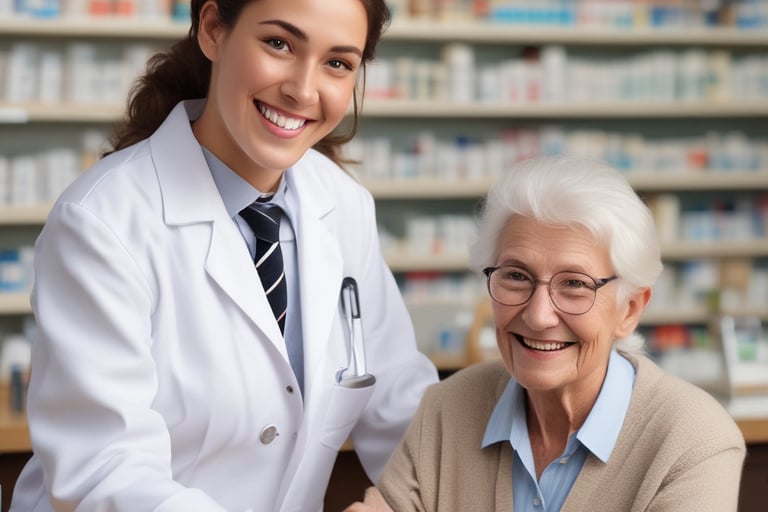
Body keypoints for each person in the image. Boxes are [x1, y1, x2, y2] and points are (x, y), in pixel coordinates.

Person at [10, 0, 438, 510]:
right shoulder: (102, 222)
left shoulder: (344, 206)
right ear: (213, 29)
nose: (304, 90)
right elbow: (105, 471)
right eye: (279, 44)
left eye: (337, 63)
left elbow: (401, 408)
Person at [345, 155, 746, 512]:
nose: (538, 316)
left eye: (574, 284)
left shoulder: (692, 440)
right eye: (516, 276)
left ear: (630, 310)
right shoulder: (446, 408)